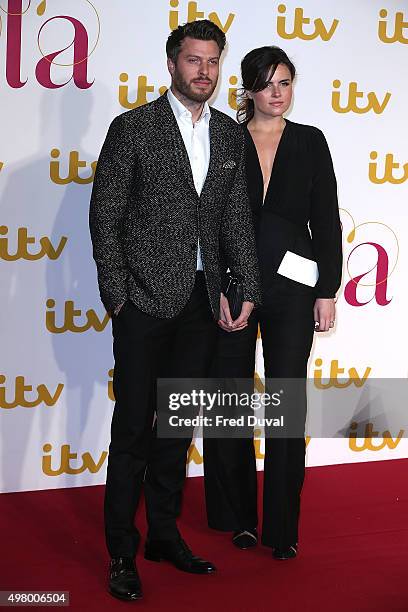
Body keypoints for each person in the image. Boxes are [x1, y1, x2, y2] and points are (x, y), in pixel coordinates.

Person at [89, 20, 260, 601]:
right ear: (171, 64)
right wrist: (118, 297)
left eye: (213, 62)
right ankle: (121, 550)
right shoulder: (133, 128)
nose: (204, 71)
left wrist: (246, 288)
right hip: (142, 303)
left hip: (200, 302)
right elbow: (105, 217)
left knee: (176, 426)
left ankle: (163, 533)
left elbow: (236, 221)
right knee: (134, 425)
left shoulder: (232, 138)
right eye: (193, 60)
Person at [204, 46, 342, 560]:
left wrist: (327, 290)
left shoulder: (311, 142)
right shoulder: (223, 139)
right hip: (235, 286)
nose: (277, 93)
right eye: (267, 83)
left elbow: (326, 220)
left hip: (293, 291)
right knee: (229, 403)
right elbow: (209, 219)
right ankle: (236, 517)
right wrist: (217, 284)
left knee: (286, 405)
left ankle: (282, 528)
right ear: (248, 90)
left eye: (285, 82)